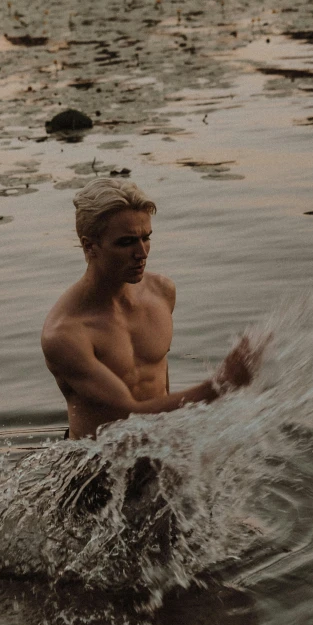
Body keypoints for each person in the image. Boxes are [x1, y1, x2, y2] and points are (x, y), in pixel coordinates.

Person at [41, 177, 258, 440]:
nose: (142, 252)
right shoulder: (65, 333)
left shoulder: (162, 293)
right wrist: (220, 384)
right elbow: (128, 413)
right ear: (90, 246)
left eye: (146, 238)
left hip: (159, 448)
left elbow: (159, 381)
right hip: (98, 467)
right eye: (126, 242)